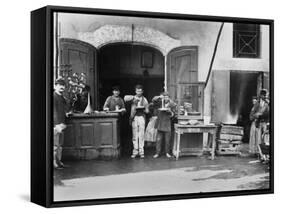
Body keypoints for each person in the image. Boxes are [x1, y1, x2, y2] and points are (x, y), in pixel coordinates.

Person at [124, 85, 149, 158]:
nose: (139, 92)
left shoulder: (144, 99)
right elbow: (125, 98)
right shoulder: (133, 98)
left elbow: (147, 111)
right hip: (134, 117)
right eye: (137, 91)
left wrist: (144, 109)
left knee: (141, 135)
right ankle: (135, 151)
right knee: (135, 135)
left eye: (140, 91)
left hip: (141, 117)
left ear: (142, 91)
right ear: (135, 91)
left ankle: (141, 152)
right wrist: (134, 97)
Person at [152, 91, 176, 158]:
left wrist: (170, 111)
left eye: (167, 97)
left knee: (167, 140)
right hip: (160, 122)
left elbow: (174, 115)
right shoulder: (159, 102)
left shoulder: (172, 104)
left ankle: (167, 153)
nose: (165, 98)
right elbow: (153, 100)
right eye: (164, 97)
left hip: (168, 123)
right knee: (158, 139)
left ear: (169, 97)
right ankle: (157, 153)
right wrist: (159, 97)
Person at [53, 78, 69, 169]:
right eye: (59, 85)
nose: (62, 87)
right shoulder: (53, 96)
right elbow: (53, 111)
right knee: (55, 145)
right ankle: (54, 163)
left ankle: (59, 161)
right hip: (56, 125)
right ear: (55, 86)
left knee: (60, 145)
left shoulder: (62, 97)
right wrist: (56, 124)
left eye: (63, 85)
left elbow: (64, 108)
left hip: (62, 123)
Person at [249, 90, 270, 156]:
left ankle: (264, 153)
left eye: (266, 95)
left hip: (265, 122)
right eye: (265, 95)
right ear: (261, 95)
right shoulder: (257, 104)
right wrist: (256, 115)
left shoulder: (268, 104)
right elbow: (252, 114)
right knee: (257, 138)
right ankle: (257, 152)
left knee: (265, 139)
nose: (266, 97)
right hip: (258, 123)